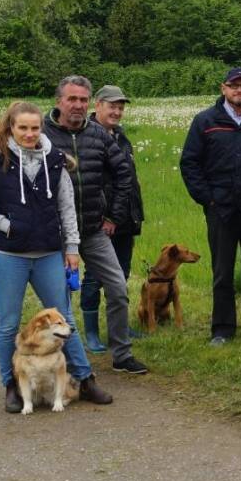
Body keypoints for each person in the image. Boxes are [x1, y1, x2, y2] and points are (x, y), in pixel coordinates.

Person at [0, 101, 113, 410]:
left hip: (49, 252)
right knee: (7, 324)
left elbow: (66, 208)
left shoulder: (56, 160)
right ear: (11, 128)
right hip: (8, 255)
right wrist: (5, 225)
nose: (30, 133)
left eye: (35, 128)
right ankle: (12, 386)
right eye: (23, 128)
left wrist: (72, 248)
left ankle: (84, 379)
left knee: (65, 318)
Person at [43, 75, 148, 374]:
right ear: (59, 101)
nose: (77, 105)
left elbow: (123, 174)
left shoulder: (99, 135)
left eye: (82, 99)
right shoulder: (43, 133)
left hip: (92, 229)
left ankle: (121, 354)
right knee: (58, 298)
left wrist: (112, 216)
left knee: (117, 287)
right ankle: (61, 359)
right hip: (54, 234)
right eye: (72, 99)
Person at [180, 67, 241, 346]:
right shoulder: (206, 121)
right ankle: (222, 328)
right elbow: (190, 164)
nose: (239, 91)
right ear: (223, 88)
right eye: (234, 86)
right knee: (222, 272)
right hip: (220, 210)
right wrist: (208, 199)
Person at [79, 84, 145, 353]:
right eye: (112, 105)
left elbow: (127, 180)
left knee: (122, 274)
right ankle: (92, 333)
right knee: (95, 277)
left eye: (121, 107)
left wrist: (132, 215)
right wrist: (106, 216)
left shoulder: (121, 136)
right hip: (101, 221)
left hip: (125, 218)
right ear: (98, 105)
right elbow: (91, 183)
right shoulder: (87, 136)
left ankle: (119, 326)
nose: (117, 111)